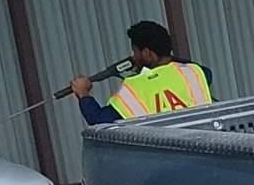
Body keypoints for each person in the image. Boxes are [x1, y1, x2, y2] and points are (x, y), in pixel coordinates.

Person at [71, 21, 216, 124]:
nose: (134, 57)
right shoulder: (195, 72)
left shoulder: (135, 86)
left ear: (147, 53)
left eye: (136, 52)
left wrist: (83, 94)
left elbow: (98, 119)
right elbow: (189, 69)